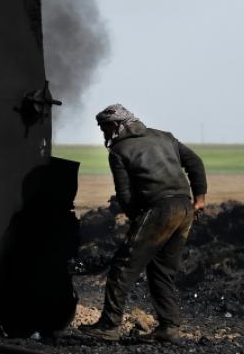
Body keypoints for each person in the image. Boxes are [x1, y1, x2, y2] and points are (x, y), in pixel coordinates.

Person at [79, 104, 207, 343]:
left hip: (160, 209)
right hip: (185, 208)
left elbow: (125, 195)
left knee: (123, 265)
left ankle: (109, 326)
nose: (104, 134)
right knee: (162, 270)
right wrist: (199, 200)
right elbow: (196, 163)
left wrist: (138, 219)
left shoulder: (119, 150)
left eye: (105, 128)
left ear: (117, 125)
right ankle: (169, 328)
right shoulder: (164, 137)